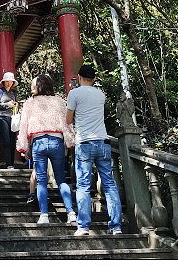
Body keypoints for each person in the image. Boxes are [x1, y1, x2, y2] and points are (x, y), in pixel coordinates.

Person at [66, 64, 123, 236]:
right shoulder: (101, 94)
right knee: (109, 184)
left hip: (84, 143)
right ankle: (116, 226)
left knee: (83, 185)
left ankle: (83, 226)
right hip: (103, 142)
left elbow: (68, 120)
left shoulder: (74, 93)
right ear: (95, 79)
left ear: (79, 77)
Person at [16, 74, 77, 226]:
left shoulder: (30, 103)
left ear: (38, 86)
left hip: (38, 142)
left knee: (41, 181)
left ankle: (44, 215)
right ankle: (71, 213)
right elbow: (66, 123)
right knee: (61, 179)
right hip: (56, 141)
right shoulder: (59, 101)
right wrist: (70, 140)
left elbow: (24, 125)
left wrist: (23, 146)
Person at [0, 72, 19, 169]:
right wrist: (6, 105)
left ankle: (11, 163)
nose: (9, 83)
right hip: (2, 117)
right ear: (3, 82)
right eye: (7, 81)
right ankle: (7, 163)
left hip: (12, 118)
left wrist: (16, 105)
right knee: (6, 140)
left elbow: (16, 104)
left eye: (10, 81)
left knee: (12, 141)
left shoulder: (14, 93)